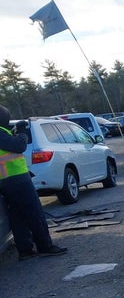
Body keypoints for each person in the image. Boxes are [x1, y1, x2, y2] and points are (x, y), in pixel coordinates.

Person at [0, 105, 67, 260]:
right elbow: (19, 146)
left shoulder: (3, 133)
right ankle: (45, 245)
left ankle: (25, 250)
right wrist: (22, 132)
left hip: (7, 181)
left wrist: (16, 132)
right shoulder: (0, 133)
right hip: (16, 179)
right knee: (34, 213)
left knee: (17, 215)